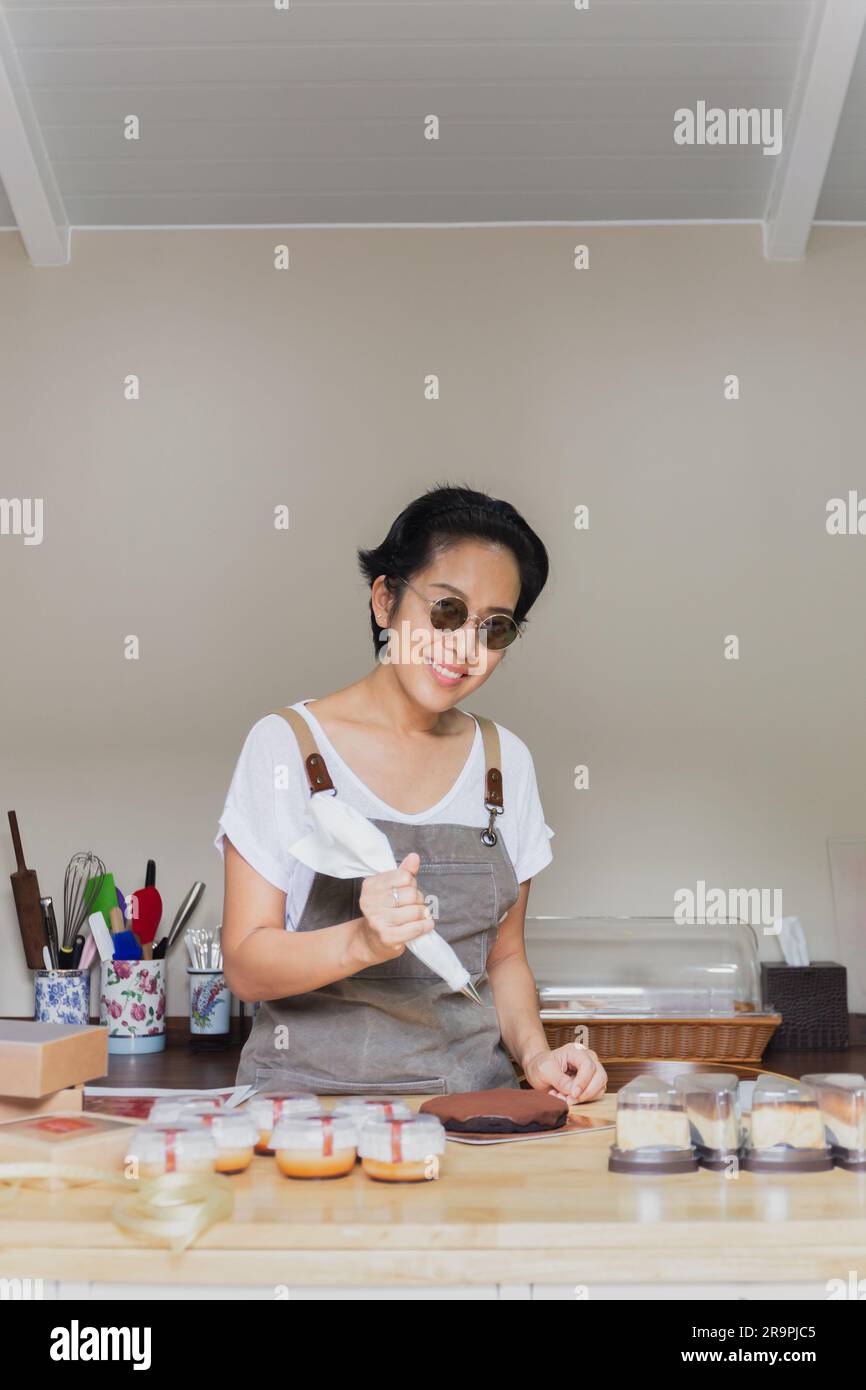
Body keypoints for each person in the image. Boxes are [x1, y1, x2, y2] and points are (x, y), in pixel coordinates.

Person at [217, 484, 607, 1102]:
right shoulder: (287, 746)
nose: (464, 648)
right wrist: (362, 942)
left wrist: (537, 1056)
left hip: (469, 1112)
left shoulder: (504, 766)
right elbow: (244, 964)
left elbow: (503, 961)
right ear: (384, 599)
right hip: (304, 1115)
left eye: (494, 627)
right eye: (447, 610)